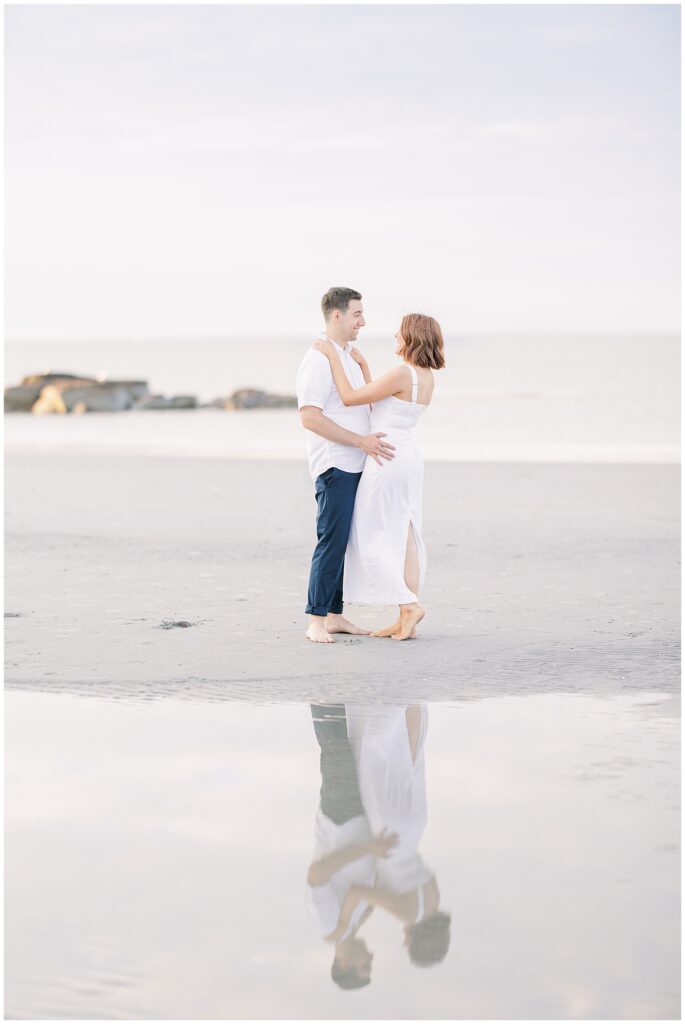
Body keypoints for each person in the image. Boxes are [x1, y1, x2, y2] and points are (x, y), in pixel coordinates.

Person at [313, 312, 445, 640]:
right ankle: (405, 617)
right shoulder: (425, 375)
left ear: (412, 336)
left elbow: (351, 398)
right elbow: (382, 404)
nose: (395, 337)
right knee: (406, 533)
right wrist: (366, 370)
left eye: (399, 332)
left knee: (368, 533)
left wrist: (333, 357)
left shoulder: (402, 372)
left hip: (385, 456)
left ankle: (408, 604)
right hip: (408, 457)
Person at [296, 287, 395, 644]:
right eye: (357, 314)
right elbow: (309, 417)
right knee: (331, 540)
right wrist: (360, 442)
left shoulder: (347, 356)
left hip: (357, 463)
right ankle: (315, 619)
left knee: (345, 541)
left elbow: (359, 405)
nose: (363, 321)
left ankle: (335, 614)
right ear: (336, 315)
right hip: (335, 464)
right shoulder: (318, 359)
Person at [306, 704, 399, 989]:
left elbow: (318, 873)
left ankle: (320, 675)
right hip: (358, 816)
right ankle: (338, 676)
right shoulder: (350, 925)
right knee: (356, 744)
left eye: (365, 965)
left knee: (334, 744)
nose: (370, 956)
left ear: (345, 964)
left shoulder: (328, 926)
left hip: (339, 817)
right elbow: (367, 890)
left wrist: (369, 849)